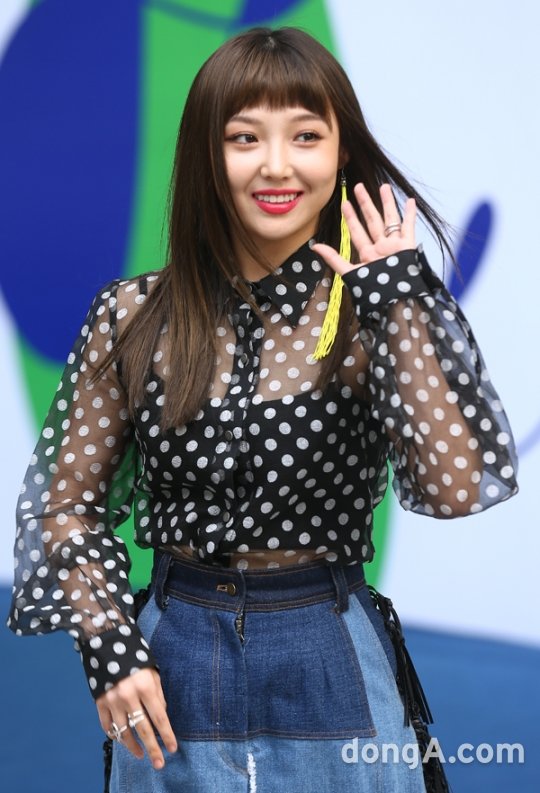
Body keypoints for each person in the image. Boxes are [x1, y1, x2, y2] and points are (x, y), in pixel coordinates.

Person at [8, 26, 518, 793]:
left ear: (341, 153)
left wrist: (397, 299)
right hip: (173, 655)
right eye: (245, 137)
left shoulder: (376, 311)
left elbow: (455, 486)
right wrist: (110, 649)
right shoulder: (131, 315)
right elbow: (65, 506)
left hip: (330, 649)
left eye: (306, 135)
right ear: (206, 156)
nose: (277, 164)